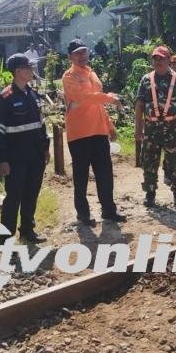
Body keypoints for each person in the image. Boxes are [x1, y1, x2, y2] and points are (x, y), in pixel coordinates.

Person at [62, 39, 127, 226]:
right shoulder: (69, 77)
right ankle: (83, 214)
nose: (81, 55)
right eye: (77, 53)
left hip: (98, 131)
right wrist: (109, 98)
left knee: (105, 173)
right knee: (81, 176)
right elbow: (82, 97)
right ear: (70, 57)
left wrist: (109, 126)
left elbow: (97, 103)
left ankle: (109, 210)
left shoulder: (92, 73)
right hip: (79, 133)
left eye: (84, 51)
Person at [0, 54, 50, 243]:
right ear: (18, 71)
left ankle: (27, 231)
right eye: (28, 68)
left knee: (31, 193)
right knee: (13, 198)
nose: (32, 71)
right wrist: (2, 159)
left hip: (35, 155)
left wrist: (45, 149)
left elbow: (41, 125)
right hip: (16, 158)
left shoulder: (32, 94)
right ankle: (6, 239)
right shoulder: (5, 98)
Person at [134, 46, 176, 208]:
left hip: (173, 126)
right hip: (151, 126)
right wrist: (138, 128)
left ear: (169, 60)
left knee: (175, 161)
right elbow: (139, 105)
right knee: (149, 160)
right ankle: (150, 193)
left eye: (161, 58)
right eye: (155, 58)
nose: (158, 61)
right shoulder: (146, 79)